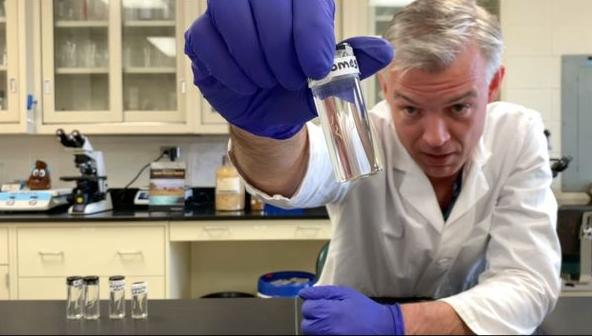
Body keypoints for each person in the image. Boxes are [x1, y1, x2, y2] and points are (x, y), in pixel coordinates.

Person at [184, 0, 561, 334]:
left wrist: (397, 324)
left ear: (493, 84)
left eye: (459, 107)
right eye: (411, 108)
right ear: (385, 85)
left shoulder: (517, 134)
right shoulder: (359, 134)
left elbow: (528, 281)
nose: (436, 138)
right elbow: (295, 173)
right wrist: (264, 133)